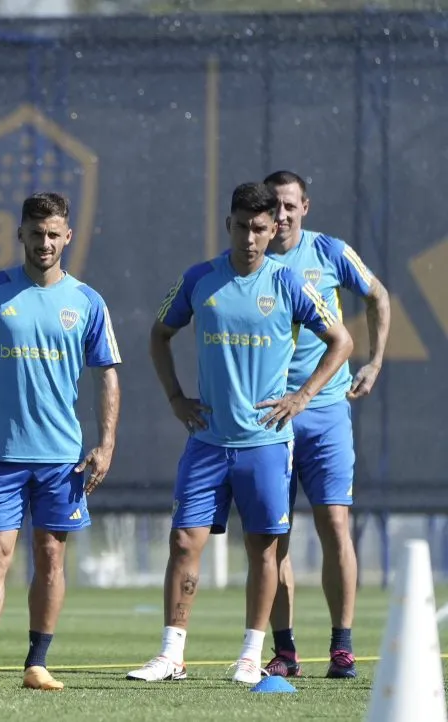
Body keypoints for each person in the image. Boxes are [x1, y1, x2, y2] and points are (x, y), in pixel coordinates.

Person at [126, 182, 353, 685]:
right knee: (184, 542)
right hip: (207, 441)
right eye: (240, 226)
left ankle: (251, 656)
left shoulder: (290, 284)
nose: (249, 237)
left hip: (267, 445)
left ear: (273, 230)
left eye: (259, 228)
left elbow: (341, 339)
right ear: (227, 225)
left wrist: (302, 397)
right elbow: (160, 334)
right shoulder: (200, 279)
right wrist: (175, 398)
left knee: (264, 550)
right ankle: (171, 655)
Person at [0, 192, 122, 692]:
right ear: (20, 233)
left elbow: (107, 375)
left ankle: (36, 663)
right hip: (0, 453)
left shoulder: (87, 301)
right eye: (35, 233)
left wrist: (106, 443)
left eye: (53, 234)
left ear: (68, 236)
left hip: (62, 458)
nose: (44, 243)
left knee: (51, 558)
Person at [262, 170, 390, 679]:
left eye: (290, 205)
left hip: (324, 411)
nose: (281, 214)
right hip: (269, 419)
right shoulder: (249, 260)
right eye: (273, 205)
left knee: (335, 525)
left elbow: (377, 295)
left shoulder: (330, 251)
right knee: (273, 536)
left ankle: (341, 646)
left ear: (305, 207)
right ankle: (285, 650)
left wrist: (376, 362)